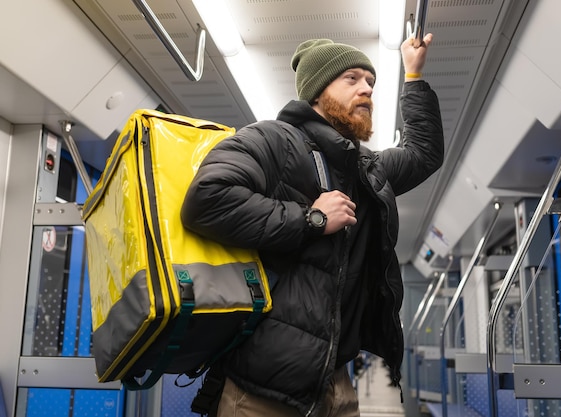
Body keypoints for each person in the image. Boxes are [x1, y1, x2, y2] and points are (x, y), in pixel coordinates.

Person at [181, 32, 444, 417]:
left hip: (335, 383)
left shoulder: (366, 169)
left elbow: (424, 153)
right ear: (318, 91)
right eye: (352, 79)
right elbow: (206, 199)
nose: (366, 89)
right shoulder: (272, 140)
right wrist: (312, 219)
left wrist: (414, 76)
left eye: (370, 82)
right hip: (263, 390)